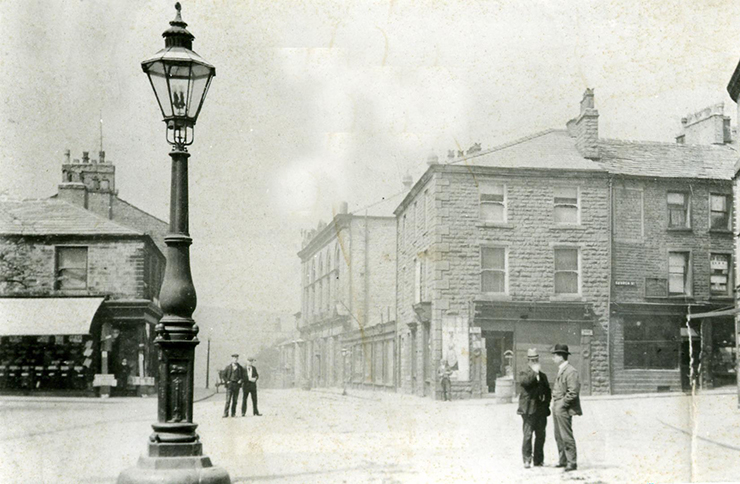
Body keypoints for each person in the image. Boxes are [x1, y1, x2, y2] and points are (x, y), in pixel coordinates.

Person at [517, 348, 551, 468]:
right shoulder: (523, 373)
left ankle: (538, 460)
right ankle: (527, 459)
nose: (534, 361)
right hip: (528, 410)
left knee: (541, 435)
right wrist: (534, 372)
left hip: (541, 410)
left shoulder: (543, 376)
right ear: (528, 360)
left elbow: (548, 391)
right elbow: (526, 382)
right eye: (532, 360)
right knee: (528, 435)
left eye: (536, 359)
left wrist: (546, 404)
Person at [550, 344, 582, 472]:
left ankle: (572, 462)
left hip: (563, 407)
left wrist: (562, 404)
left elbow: (573, 392)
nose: (553, 358)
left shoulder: (571, 371)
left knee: (566, 435)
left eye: (555, 355)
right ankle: (563, 460)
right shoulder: (561, 369)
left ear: (561, 357)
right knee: (558, 435)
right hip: (557, 406)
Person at [222, 354, 243, 418]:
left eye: (236, 358)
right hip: (230, 385)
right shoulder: (228, 367)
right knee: (228, 400)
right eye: (234, 358)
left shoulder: (240, 367)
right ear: (232, 359)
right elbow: (223, 375)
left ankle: (233, 414)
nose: (235, 359)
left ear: (237, 359)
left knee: (235, 400)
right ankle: (225, 413)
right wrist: (226, 381)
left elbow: (243, 376)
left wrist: (240, 380)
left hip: (236, 385)